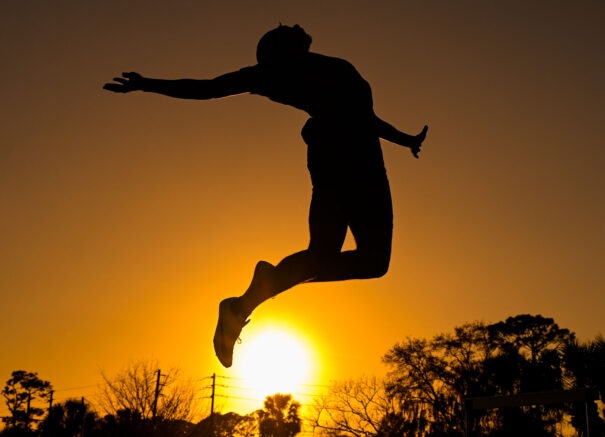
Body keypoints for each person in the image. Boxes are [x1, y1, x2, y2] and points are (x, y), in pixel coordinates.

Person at [104, 24, 428, 367]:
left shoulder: (314, 70)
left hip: (352, 160)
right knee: (362, 260)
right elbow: (208, 88)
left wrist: (404, 139)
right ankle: (251, 296)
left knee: (343, 260)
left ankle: (243, 303)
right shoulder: (290, 72)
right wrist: (146, 84)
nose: (290, 26)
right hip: (352, 164)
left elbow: (364, 118)